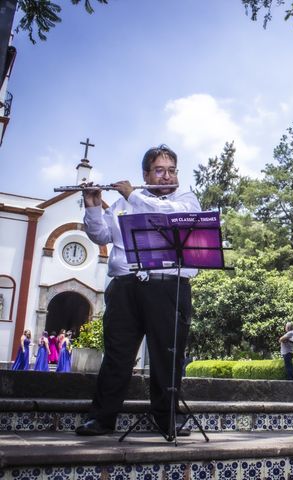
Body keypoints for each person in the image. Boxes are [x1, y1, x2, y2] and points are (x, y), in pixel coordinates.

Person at [76, 145, 201, 438]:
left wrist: (132, 195)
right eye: (159, 171)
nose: (166, 176)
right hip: (125, 287)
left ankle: (165, 418)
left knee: (166, 354)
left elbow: (169, 217)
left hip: (168, 285)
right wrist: (94, 206)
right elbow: (100, 236)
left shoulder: (185, 199)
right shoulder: (122, 204)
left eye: (171, 170)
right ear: (146, 173)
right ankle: (102, 418)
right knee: (117, 354)